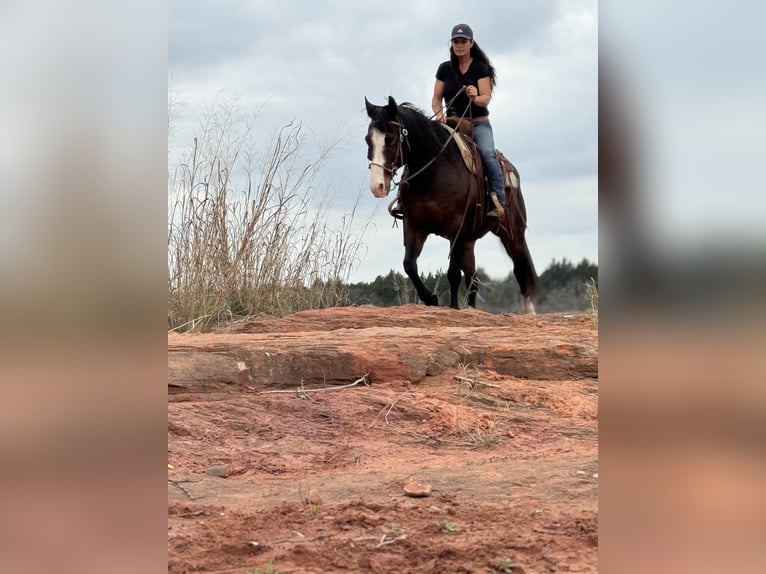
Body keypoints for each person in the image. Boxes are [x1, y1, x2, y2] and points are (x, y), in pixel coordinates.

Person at [431, 23, 506, 216]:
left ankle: (499, 202)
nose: (459, 45)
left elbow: (485, 99)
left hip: (478, 123)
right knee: (426, 146)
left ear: (471, 43)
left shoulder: (481, 68)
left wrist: (474, 96)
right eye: (456, 41)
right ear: (452, 43)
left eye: (463, 41)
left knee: (488, 155)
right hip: (452, 123)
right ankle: (406, 197)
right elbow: (436, 100)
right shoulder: (445, 69)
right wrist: (440, 118)